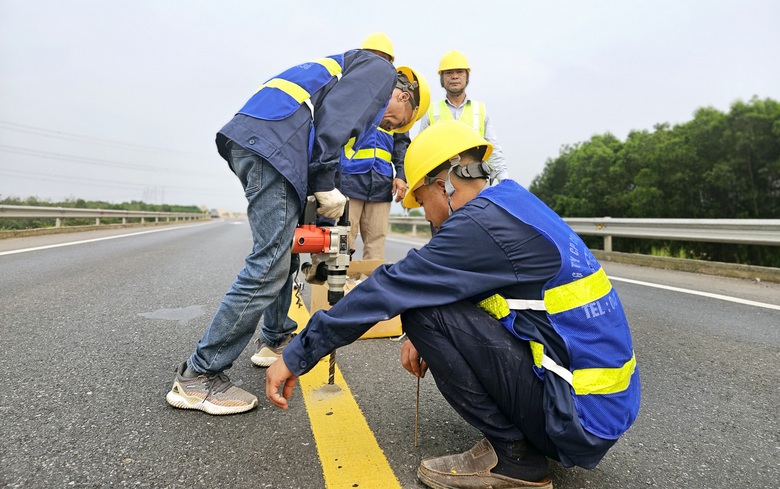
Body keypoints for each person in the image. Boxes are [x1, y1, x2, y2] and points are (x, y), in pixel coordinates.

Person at [266, 121, 640, 488]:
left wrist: (298, 353)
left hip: (576, 416)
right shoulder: (512, 205)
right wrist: (440, 338)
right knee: (429, 310)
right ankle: (522, 443)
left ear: (443, 183)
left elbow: (388, 287)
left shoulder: (477, 226)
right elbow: (502, 293)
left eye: (422, 200)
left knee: (419, 310)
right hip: (598, 409)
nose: (426, 214)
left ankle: (515, 459)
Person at [165, 47, 429, 416]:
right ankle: (199, 376)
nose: (386, 127)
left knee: (286, 253)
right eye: (394, 123)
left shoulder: (347, 69)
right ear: (405, 98)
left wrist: (324, 227)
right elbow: (335, 122)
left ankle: (274, 339)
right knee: (270, 262)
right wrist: (323, 183)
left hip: (266, 138)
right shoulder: (380, 71)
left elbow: (326, 128)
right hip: (275, 143)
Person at [339, 34, 429, 259]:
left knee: (376, 241)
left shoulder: (398, 104)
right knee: (343, 238)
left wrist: (401, 175)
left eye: (383, 60)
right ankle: (336, 290)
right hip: (349, 179)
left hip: (381, 182)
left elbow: (401, 145)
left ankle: (370, 288)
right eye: (372, 57)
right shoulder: (351, 93)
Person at [419, 50, 509, 182]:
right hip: (442, 184)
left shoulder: (480, 110)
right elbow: (422, 150)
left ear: (467, 77)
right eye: (449, 72)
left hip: (474, 182)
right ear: (442, 79)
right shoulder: (431, 111)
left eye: (459, 72)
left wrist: (505, 180)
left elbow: (493, 151)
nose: (454, 76)